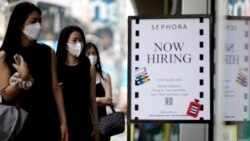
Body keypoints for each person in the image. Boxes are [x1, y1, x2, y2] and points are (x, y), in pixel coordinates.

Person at [0, 2, 68, 141]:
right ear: (20, 24)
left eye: (40, 21)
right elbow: (6, 95)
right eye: (33, 21)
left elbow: (55, 88)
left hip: (48, 120)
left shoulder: (48, 52)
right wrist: (23, 78)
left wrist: (64, 123)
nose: (38, 26)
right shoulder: (5, 55)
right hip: (20, 124)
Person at [56, 26, 99, 141]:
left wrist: (96, 125)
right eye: (74, 40)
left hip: (83, 123)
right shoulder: (55, 67)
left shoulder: (89, 68)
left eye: (81, 40)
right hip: (60, 122)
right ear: (65, 44)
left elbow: (92, 99)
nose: (79, 43)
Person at [84, 42, 113, 141]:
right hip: (84, 122)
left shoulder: (104, 76)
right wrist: (100, 100)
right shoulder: (80, 76)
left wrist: (91, 100)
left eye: (94, 53)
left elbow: (108, 100)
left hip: (103, 123)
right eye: (88, 54)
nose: (91, 56)